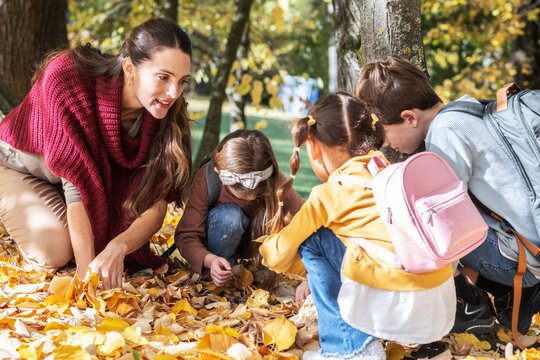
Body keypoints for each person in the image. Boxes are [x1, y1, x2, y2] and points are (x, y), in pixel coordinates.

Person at [259, 93, 455, 360]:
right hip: (438, 298)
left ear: (314, 148)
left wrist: (267, 246)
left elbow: (279, 255)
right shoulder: (384, 169)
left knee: (313, 239)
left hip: (402, 299)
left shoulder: (328, 195)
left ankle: (349, 350)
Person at [0, 18, 193, 290]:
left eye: (182, 81)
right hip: (17, 167)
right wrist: (88, 280)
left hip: (69, 186)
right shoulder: (68, 79)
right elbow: (77, 189)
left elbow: (157, 203)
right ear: (130, 68)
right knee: (54, 251)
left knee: (98, 241)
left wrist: (118, 247)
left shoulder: (167, 114)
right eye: (163, 77)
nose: (174, 93)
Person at [354, 55, 540, 335]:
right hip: (528, 243)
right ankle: (511, 297)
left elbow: (447, 227)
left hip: (520, 259)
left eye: (386, 134)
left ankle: (465, 306)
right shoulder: (465, 108)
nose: (387, 144)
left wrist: (456, 283)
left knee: (421, 219)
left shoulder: (445, 134)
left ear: (409, 118)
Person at [174, 129, 304, 287]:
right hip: (214, 247)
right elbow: (186, 236)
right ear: (218, 170)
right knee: (230, 216)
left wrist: (312, 275)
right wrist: (210, 260)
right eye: (242, 192)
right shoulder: (209, 179)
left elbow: (306, 222)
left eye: (257, 191)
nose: (251, 197)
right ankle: (219, 276)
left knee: (274, 217)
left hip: (252, 250)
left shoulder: (275, 183)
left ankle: (254, 275)